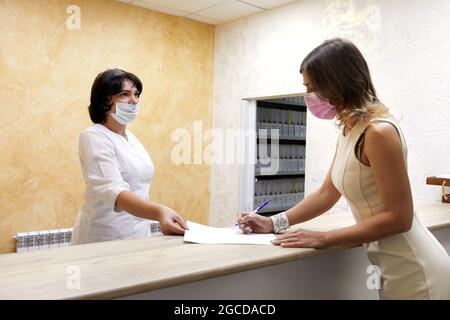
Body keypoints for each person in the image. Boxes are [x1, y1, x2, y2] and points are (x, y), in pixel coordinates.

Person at [238, 38, 450, 299]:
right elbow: (327, 193)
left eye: (313, 87)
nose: (309, 96)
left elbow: (400, 217)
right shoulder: (351, 129)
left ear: (337, 83)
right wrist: (274, 222)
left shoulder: (379, 132)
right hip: (390, 268)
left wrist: (324, 238)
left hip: (417, 271)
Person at [72, 69, 188, 245]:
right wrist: (159, 212)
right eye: (125, 94)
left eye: (136, 94)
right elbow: (115, 191)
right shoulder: (93, 136)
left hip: (138, 233)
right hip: (104, 237)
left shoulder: (131, 138)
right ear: (105, 100)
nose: (134, 100)